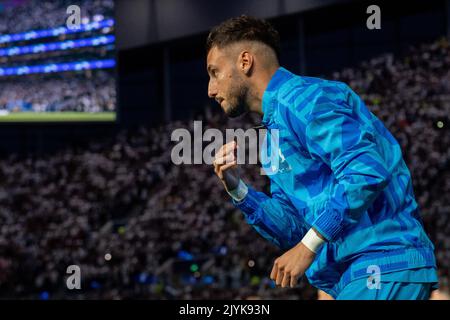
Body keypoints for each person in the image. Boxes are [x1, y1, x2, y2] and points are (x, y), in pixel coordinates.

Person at [206, 15, 439, 300]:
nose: (210, 89)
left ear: (245, 62)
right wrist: (238, 190)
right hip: (351, 277)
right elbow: (294, 229)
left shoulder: (307, 99)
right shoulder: (271, 136)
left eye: (214, 72)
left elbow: (365, 172)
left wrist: (309, 246)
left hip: (382, 262)